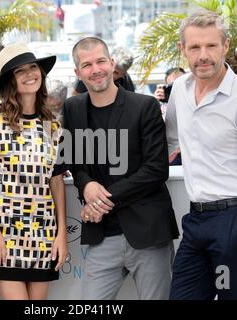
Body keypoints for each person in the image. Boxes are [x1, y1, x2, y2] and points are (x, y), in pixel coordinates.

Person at [165, 11, 237, 300]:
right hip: (196, 222)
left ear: (225, 46)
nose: (203, 55)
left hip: (235, 222)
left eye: (211, 46)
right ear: (183, 50)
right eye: (194, 47)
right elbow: (169, 142)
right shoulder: (180, 89)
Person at [63, 37, 179, 300]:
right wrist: (85, 183)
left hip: (148, 232)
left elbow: (156, 169)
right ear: (78, 72)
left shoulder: (144, 106)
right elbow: (74, 161)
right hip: (102, 235)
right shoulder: (72, 109)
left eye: (101, 61)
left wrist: (101, 200)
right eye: (87, 64)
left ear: (112, 63)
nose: (96, 69)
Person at [0, 43, 68, 300]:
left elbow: (56, 183)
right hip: (5, 231)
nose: (29, 74)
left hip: (43, 231)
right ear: (10, 81)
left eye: (33, 67)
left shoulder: (52, 125)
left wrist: (61, 235)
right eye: (19, 71)